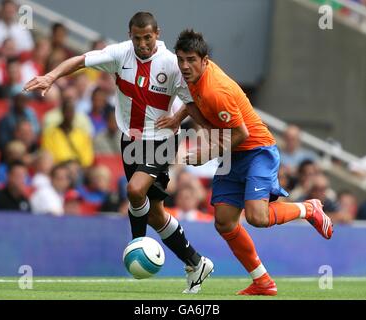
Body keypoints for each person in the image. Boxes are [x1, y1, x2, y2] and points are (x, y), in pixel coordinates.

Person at [23, 12, 213, 293]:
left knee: (135, 191)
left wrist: (180, 121)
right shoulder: (119, 54)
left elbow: (192, 99)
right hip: (129, 140)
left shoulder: (172, 64)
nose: (143, 43)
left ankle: (136, 246)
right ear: (130, 35)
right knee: (155, 214)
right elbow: (80, 60)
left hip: (160, 140)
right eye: (137, 38)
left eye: (148, 37)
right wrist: (51, 76)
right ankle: (196, 262)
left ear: (157, 34)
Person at [168, 29, 333, 296]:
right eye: (181, 60)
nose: (185, 66)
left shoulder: (215, 90)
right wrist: (177, 119)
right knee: (223, 221)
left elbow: (241, 133)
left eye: (191, 60)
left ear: (205, 61)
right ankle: (263, 282)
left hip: (256, 149)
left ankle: (308, 209)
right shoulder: (192, 77)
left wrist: (205, 155)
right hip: (233, 152)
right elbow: (192, 102)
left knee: (257, 217)